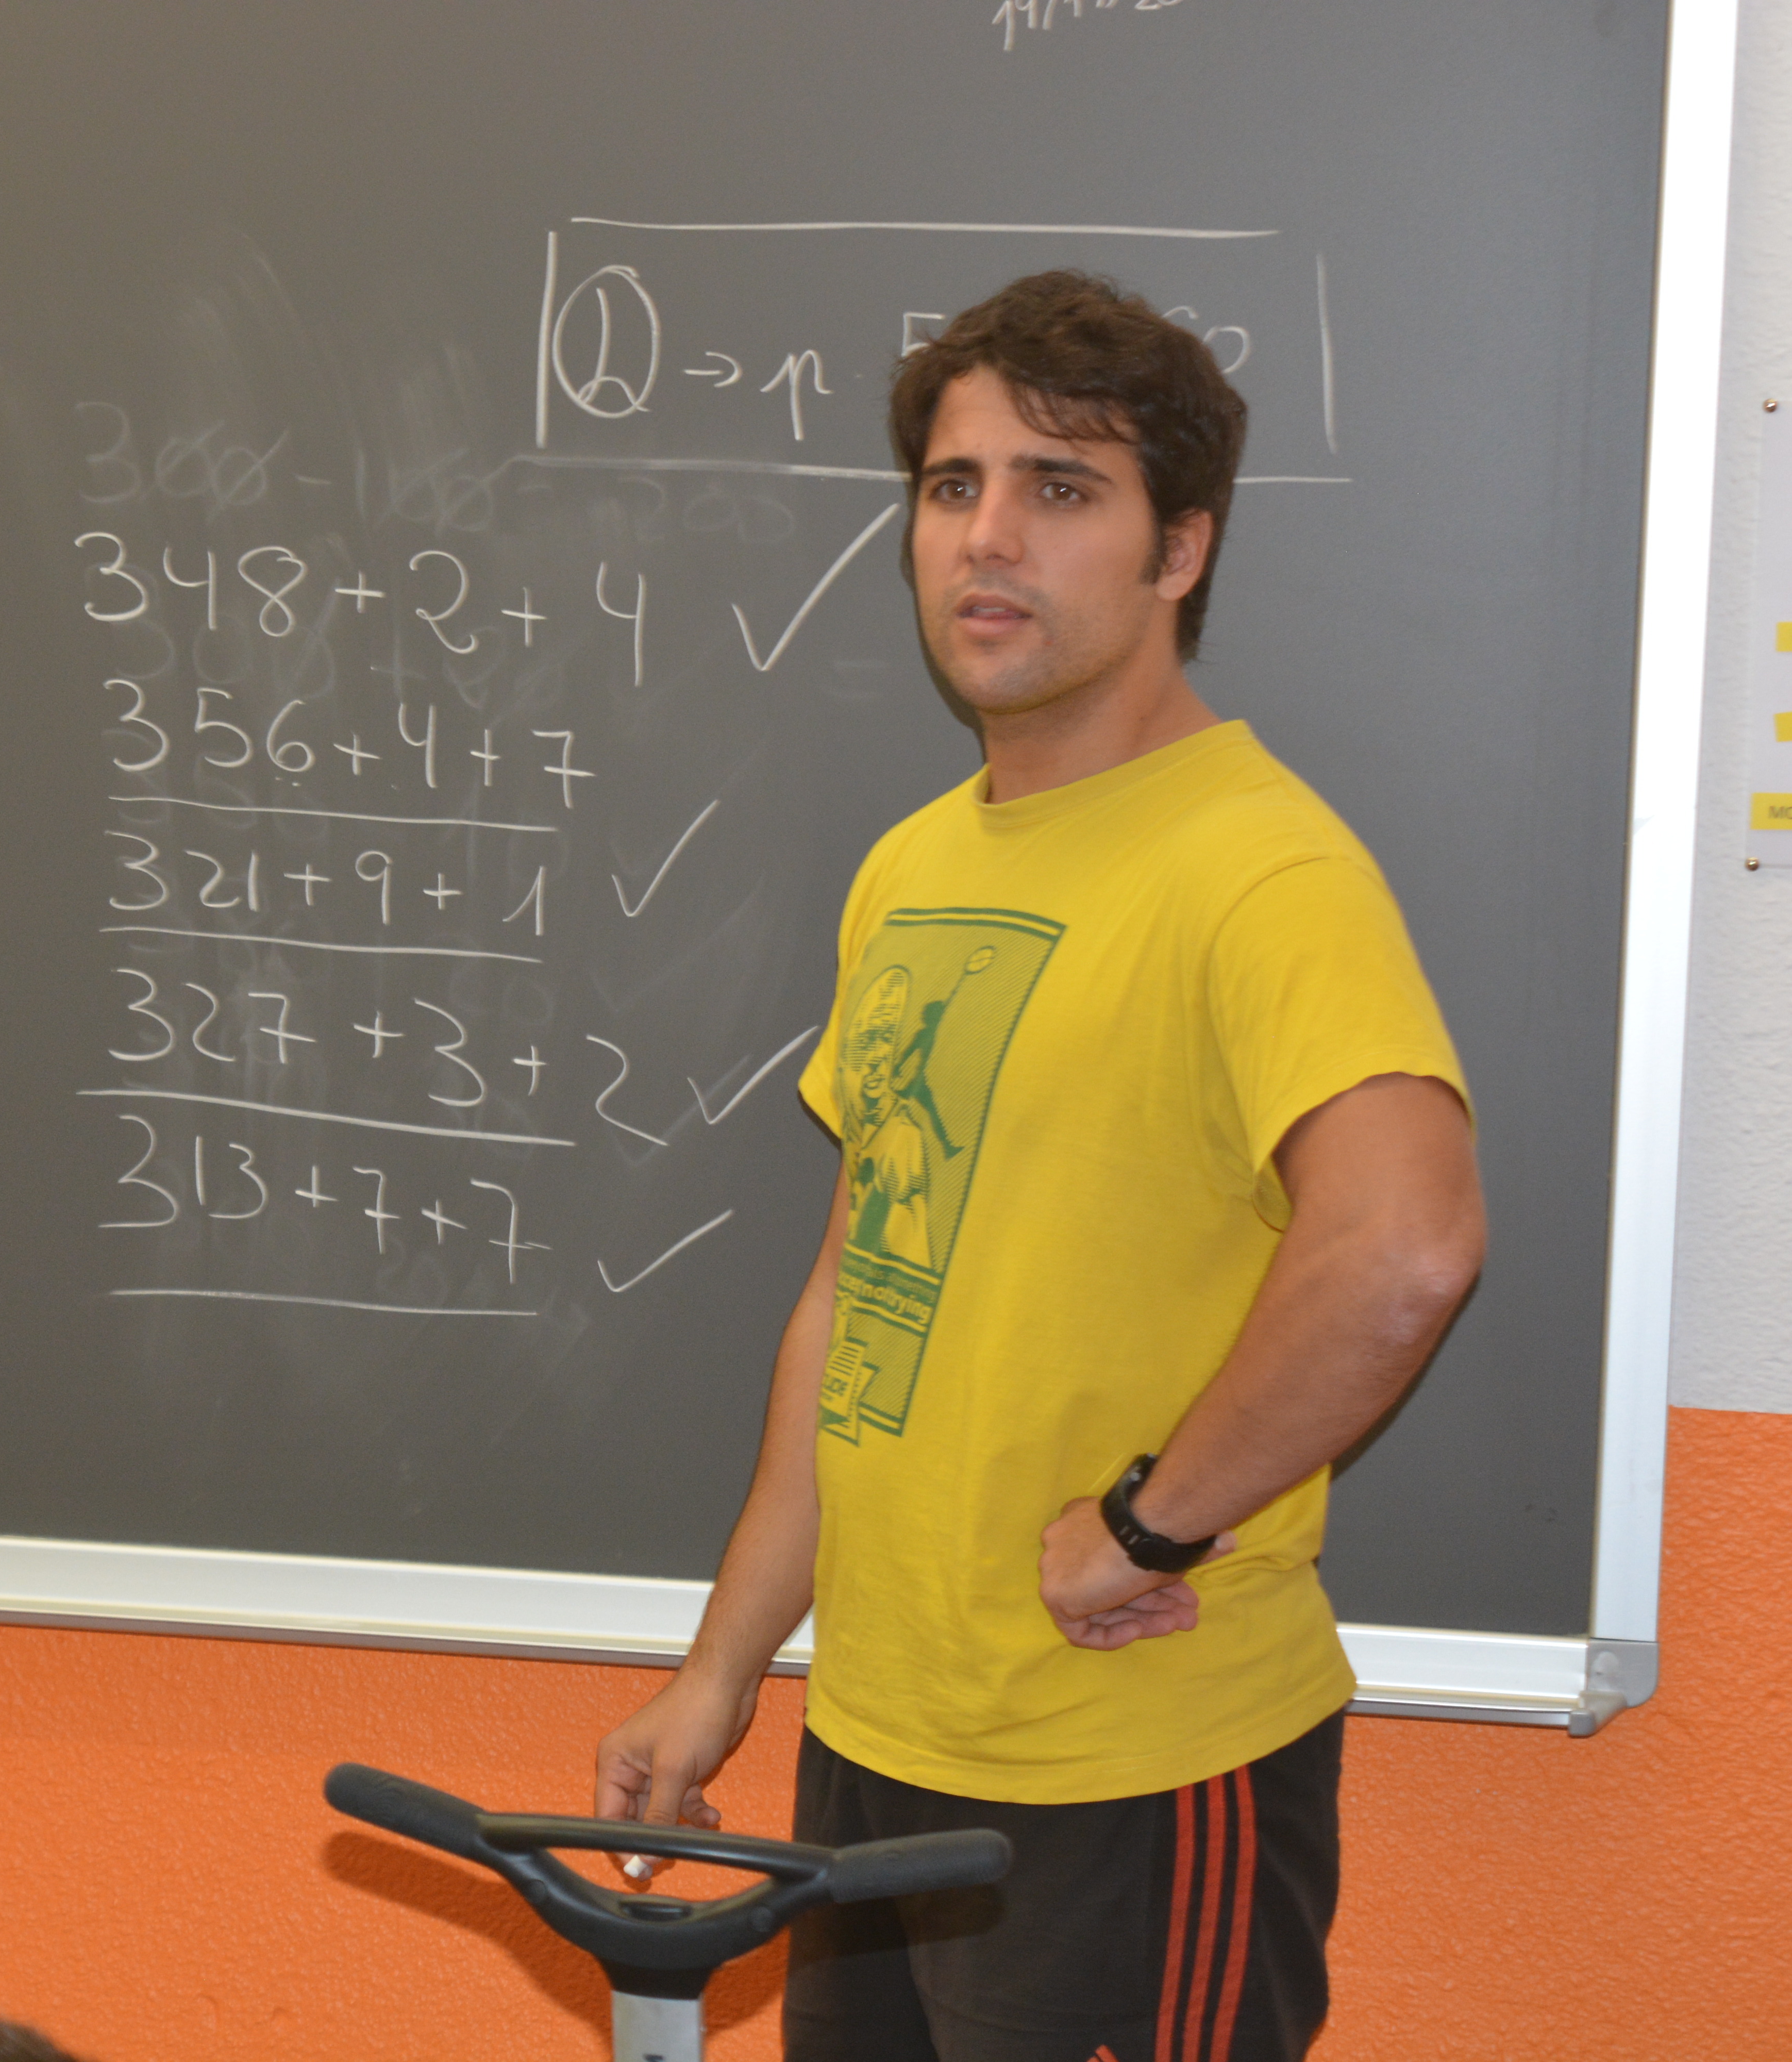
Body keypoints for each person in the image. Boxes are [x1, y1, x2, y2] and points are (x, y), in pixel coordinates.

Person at [593, 271, 1485, 2062]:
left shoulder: (1261, 871)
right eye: (953, 485)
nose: (987, 537)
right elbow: (860, 1298)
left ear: (1179, 552)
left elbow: (1406, 1247)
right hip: (879, 1747)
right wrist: (723, 1671)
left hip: (1129, 1771)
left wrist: (1153, 1522)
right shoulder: (915, 867)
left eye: (1061, 489)